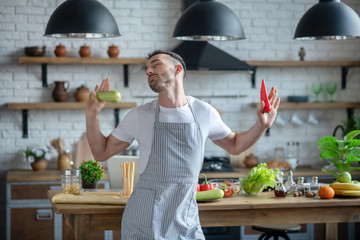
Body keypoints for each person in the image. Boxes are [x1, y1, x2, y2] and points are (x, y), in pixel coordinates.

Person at [85, 50, 280, 240]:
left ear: (177, 69)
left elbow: (235, 145)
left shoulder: (204, 112)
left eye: (156, 64)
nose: (148, 71)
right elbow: (101, 152)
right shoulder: (139, 116)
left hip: (185, 219)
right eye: (146, 68)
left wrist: (261, 126)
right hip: (143, 221)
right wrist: (92, 115)